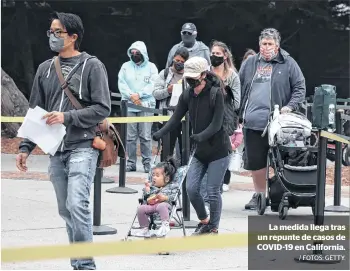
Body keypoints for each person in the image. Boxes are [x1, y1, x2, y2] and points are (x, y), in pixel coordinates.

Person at [16, 12, 111, 270]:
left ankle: (85, 265)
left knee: (77, 203)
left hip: (83, 145)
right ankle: (78, 263)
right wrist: (25, 146)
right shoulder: (45, 69)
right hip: (55, 149)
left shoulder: (92, 65)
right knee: (65, 209)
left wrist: (66, 116)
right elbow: (35, 109)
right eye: (51, 32)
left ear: (73, 37)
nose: (52, 37)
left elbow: (103, 108)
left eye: (58, 32)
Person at [153, 56, 231, 235]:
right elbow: (176, 117)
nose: (190, 81)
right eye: (188, 77)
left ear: (203, 75)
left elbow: (217, 124)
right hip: (200, 150)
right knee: (191, 188)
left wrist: (200, 136)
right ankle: (204, 220)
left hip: (219, 150)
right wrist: (161, 132)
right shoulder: (187, 93)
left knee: (212, 190)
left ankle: (213, 227)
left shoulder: (216, 92)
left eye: (193, 77)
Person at [238, 28, 306, 210]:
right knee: (256, 163)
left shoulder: (288, 63)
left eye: (270, 44)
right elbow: (239, 87)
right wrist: (238, 113)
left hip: (278, 122)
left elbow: (300, 87)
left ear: (277, 45)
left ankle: (278, 193)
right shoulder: (250, 63)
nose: (266, 47)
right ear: (259, 45)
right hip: (252, 121)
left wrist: (289, 107)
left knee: (279, 161)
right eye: (263, 44)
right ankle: (259, 196)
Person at [200, 40, 241, 202]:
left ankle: (214, 197)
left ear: (225, 56)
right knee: (203, 160)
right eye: (213, 53)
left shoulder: (232, 76)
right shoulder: (205, 72)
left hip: (224, 123)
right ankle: (203, 198)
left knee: (217, 161)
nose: (214, 56)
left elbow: (237, 102)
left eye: (218, 54)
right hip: (204, 121)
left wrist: (221, 96)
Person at [118, 41, 158, 173]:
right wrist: (131, 96)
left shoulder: (152, 67)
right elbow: (122, 84)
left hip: (146, 105)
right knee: (130, 137)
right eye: (132, 52)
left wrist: (139, 95)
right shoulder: (125, 66)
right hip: (129, 105)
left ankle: (147, 163)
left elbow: (153, 84)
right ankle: (131, 163)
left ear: (143, 53)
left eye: (137, 53)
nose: (134, 55)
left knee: (146, 136)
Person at [153, 47, 190, 162]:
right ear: (173, 59)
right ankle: (164, 172)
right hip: (168, 116)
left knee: (185, 148)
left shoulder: (190, 75)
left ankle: (184, 174)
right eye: (177, 60)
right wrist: (167, 91)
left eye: (182, 62)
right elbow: (155, 93)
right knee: (167, 148)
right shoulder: (164, 74)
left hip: (185, 117)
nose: (179, 63)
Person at [135, 157, 179, 238]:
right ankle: (145, 228)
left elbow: (174, 197)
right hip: (152, 207)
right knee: (140, 208)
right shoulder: (152, 187)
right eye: (153, 175)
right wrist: (147, 190)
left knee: (162, 205)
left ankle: (165, 225)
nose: (154, 177)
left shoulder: (171, 187)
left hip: (165, 207)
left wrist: (165, 198)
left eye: (157, 175)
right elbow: (146, 199)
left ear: (167, 178)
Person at [223, 123, 244, 192]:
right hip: (220, 146)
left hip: (230, 149)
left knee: (227, 167)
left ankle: (225, 183)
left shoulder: (236, 125)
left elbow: (239, 136)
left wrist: (234, 145)